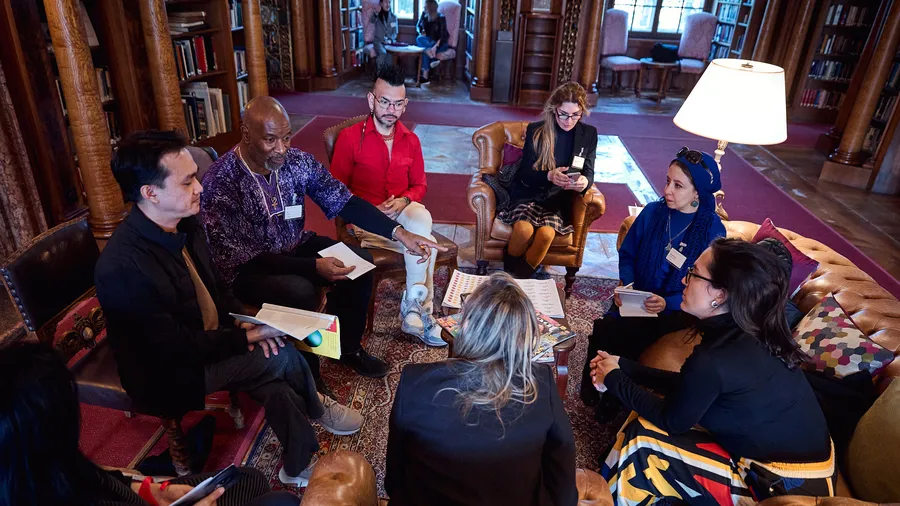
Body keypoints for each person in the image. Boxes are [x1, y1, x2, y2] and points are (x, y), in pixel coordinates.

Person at [96, 130, 362, 487]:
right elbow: (174, 348)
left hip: (207, 338)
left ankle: (297, 461)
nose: (201, 188)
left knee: (272, 366)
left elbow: (218, 286)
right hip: (166, 373)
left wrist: (241, 323)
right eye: (189, 180)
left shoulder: (185, 223)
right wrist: (246, 338)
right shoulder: (124, 266)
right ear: (150, 193)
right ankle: (315, 407)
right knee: (278, 356)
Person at [200, 96, 445, 381]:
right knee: (300, 290)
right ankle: (309, 376)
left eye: (286, 138)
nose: (281, 149)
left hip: (293, 246)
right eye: (270, 140)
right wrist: (312, 267)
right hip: (247, 269)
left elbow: (346, 201)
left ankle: (346, 349)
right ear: (246, 134)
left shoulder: (296, 162)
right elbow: (247, 258)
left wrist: (401, 234)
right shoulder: (222, 182)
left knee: (360, 262)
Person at [591, 238, 835, 504]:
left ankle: (606, 493)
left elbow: (673, 420)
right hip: (791, 459)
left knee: (642, 447)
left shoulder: (716, 357)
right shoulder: (747, 328)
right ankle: (604, 488)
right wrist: (623, 367)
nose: (684, 281)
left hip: (786, 485)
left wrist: (613, 378)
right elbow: (689, 387)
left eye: (693, 274)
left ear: (720, 294)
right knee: (642, 427)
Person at [0, 343, 301, 506]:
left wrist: (149, 489)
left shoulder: (44, 466)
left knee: (248, 480)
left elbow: (102, 478)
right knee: (281, 502)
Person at [385, 272, 577, 505]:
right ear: (526, 338)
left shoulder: (413, 381)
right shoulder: (543, 382)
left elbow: (393, 480)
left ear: (464, 326)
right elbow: (564, 489)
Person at [579, 146, 726, 414]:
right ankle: (592, 385)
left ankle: (615, 396)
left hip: (677, 307)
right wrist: (628, 285)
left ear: (698, 193)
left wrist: (667, 302)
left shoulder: (712, 230)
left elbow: (707, 285)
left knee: (629, 334)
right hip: (638, 295)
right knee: (604, 328)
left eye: (678, 185)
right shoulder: (652, 212)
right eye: (668, 181)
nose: (668, 190)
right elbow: (628, 253)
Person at [330, 65, 444, 347]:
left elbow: (420, 186)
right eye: (384, 101)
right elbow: (334, 192)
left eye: (397, 103)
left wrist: (405, 199)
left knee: (420, 217)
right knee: (425, 242)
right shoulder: (349, 138)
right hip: (367, 221)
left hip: (404, 215)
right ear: (371, 100)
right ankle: (418, 310)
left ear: (405, 105)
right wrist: (369, 210)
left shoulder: (411, 140)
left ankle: (414, 307)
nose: (390, 109)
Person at [500, 82, 597, 279]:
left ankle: (517, 280)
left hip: (558, 200)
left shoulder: (588, 134)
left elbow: (589, 171)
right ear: (554, 109)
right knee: (523, 230)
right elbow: (525, 173)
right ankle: (509, 275)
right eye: (563, 114)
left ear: (582, 112)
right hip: (529, 194)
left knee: (546, 235)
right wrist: (549, 175)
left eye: (575, 115)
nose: (569, 121)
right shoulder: (537, 130)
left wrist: (584, 183)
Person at [414, 0, 449, 83]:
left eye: (425, 6)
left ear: (430, 7)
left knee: (424, 50)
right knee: (419, 39)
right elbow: (418, 27)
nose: (423, 7)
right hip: (428, 41)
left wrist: (435, 47)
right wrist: (421, 31)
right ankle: (431, 56)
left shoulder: (441, 18)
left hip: (440, 43)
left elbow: (443, 36)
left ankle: (425, 77)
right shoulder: (424, 15)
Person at [365, 0, 398, 70]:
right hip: (378, 41)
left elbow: (395, 33)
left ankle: (387, 77)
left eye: (389, 2)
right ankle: (379, 76)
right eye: (386, 2)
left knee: (390, 55)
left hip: (389, 42)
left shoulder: (393, 17)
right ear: (381, 4)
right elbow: (372, 20)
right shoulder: (377, 15)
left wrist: (390, 40)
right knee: (383, 53)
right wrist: (376, 12)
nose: (388, 4)